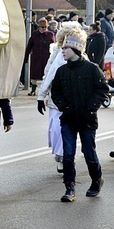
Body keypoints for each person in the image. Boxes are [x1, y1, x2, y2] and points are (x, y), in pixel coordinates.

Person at [50, 25, 109, 201]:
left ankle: (96, 180)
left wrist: (90, 107)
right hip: (68, 118)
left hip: (87, 119)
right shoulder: (62, 71)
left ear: (75, 49)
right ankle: (70, 188)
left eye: (66, 48)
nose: (63, 51)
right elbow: (56, 92)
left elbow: (102, 90)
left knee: (89, 152)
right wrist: (63, 106)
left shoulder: (91, 69)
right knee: (68, 154)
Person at [37, 22, 81, 174]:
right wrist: (41, 96)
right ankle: (60, 155)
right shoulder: (56, 54)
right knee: (55, 129)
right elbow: (48, 73)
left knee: (69, 130)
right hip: (57, 100)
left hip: (74, 100)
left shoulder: (82, 56)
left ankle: (67, 157)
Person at [25, 17, 55, 96]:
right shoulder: (35, 34)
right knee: (34, 74)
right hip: (36, 57)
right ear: (39, 27)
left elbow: (53, 46)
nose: (44, 29)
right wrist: (26, 57)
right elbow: (29, 46)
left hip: (46, 57)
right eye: (42, 27)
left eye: (45, 27)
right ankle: (33, 90)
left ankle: (47, 90)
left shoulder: (50, 34)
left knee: (47, 74)